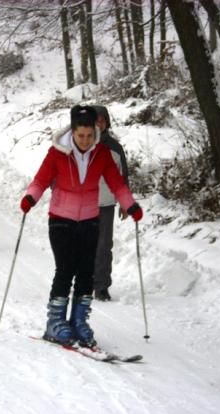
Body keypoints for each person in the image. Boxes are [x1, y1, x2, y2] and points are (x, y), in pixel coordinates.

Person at [20, 105, 143, 348]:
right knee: (66, 269)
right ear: (73, 132)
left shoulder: (102, 153)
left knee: (87, 272)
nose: (85, 140)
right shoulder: (57, 153)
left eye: (89, 135)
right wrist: (30, 198)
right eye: (80, 135)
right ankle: (55, 323)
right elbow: (41, 180)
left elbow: (117, 184)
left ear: (95, 131)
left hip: (89, 219)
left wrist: (131, 205)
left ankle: (78, 321)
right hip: (61, 219)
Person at [92, 105, 130, 302]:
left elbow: (123, 176)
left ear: (107, 123)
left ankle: (101, 286)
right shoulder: (79, 143)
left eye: (102, 120)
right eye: (95, 120)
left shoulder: (115, 148)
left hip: (105, 204)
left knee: (104, 246)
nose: (99, 124)